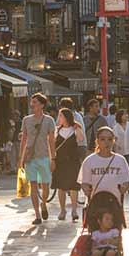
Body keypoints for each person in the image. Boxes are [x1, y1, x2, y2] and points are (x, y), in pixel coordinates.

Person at [18, 93, 57, 225]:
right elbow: (23, 139)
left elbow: (51, 140)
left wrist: (53, 158)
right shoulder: (26, 120)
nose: (32, 104)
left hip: (44, 156)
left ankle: (44, 203)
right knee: (33, 185)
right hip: (30, 158)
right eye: (32, 102)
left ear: (42, 105)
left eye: (35, 102)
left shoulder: (49, 120)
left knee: (46, 186)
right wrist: (21, 158)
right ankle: (37, 215)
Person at [78, 127, 129, 203]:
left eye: (110, 139)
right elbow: (84, 182)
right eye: (103, 139)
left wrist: (124, 187)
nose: (106, 142)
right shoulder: (89, 160)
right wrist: (86, 190)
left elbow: (127, 180)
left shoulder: (120, 160)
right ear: (97, 141)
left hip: (115, 202)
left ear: (113, 141)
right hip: (96, 202)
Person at [52, 108, 84, 222]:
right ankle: (62, 210)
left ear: (66, 117)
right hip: (60, 162)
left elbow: (81, 139)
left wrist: (78, 128)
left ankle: (74, 210)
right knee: (61, 187)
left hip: (73, 161)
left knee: (73, 187)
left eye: (60, 116)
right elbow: (52, 145)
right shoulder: (57, 130)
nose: (59, 118)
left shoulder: (74, 129)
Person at [112, 110, 129, 194]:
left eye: (127, 114)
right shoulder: (115, 127)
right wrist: (116, 145)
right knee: (121, 169)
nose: (126, 116)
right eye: (124, 114)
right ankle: (121, 184)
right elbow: (114, 139)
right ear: (120, 116)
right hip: (120, 151)